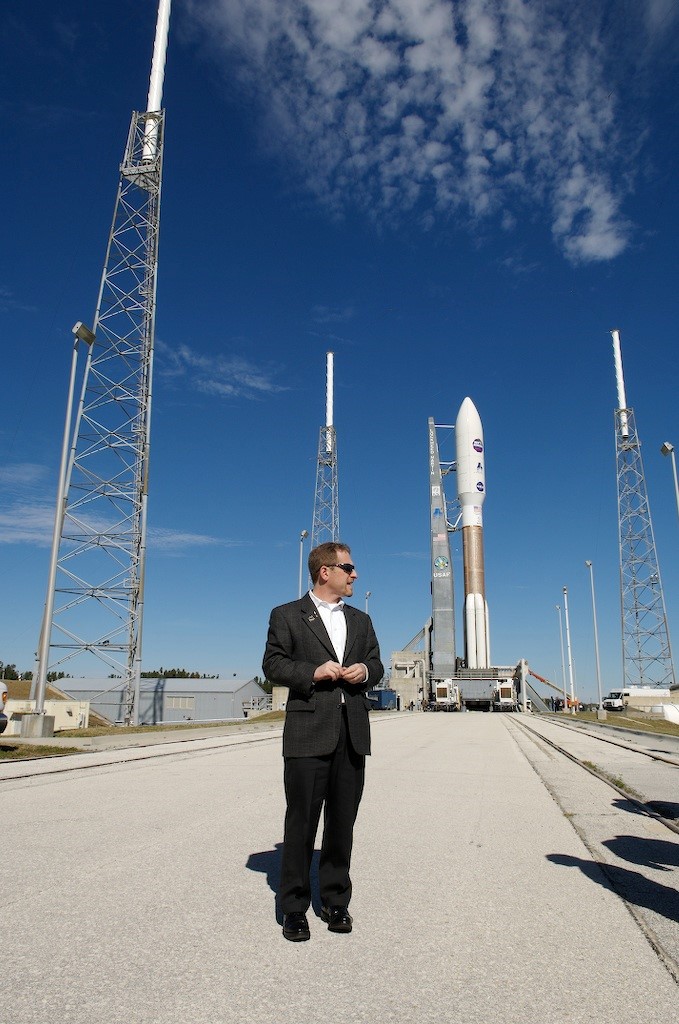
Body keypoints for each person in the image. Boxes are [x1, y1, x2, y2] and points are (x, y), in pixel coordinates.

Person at [263, 541, 383, 942]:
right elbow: (273, 664)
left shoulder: (361, 620)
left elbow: (377, 664)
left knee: (342, 824)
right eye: (348, 567)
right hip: (307, 733)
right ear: (325, 572)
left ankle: (336, 901)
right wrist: (313, 672)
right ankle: (294, 907)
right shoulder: (287, 615)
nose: (355, 575)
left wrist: (365, 670)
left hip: (352, 734)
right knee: (301, 823)